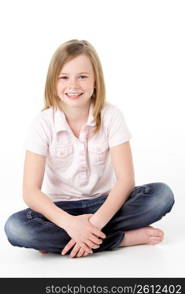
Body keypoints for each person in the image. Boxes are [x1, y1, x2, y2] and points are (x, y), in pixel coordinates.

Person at [4, 39, 175, 258]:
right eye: (64, 77)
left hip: (106, 205)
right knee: (16, 228)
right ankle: (121, 239)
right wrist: (70, 224)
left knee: (161, 196)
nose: (73, 85)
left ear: (96, 81)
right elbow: (31, 191)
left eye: (82, 77)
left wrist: (92, 224)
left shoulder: (111, 116)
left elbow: (125, 182)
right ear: (53, 83)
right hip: (61, 210)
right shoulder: (42, 123)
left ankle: (66, 241)